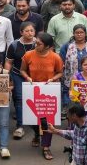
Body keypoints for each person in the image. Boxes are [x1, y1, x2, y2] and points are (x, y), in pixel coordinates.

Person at [19, 32, 63, 160]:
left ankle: (46, 147)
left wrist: (53, 79)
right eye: (36, 42)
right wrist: (27, 77)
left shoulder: (55, 57)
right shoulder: (28, 55)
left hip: (49, 91)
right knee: (31, 118)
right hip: (32, 90)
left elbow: (60, 72)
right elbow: (22, 70)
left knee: (48, 120)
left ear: (48, 46)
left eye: (39, 43)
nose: (35, 45)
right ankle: (37, 134)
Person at [59, 25, 87, 111]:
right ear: (73, 34)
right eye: (77, 33)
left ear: (85, 33)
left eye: (81, 32)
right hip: (73, 77)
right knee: (76, 107)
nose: (79, 35)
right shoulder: (67, 46)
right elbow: (62, 62)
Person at [4, 21, 36, 139]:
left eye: (32, 31)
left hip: (35, 76)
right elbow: (8, 62)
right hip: (18, 74)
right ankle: (20, 126)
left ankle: (37, 124)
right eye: (27, 31)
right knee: (19, 98)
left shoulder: (39, 44)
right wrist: (6, 76)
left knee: (36, 99)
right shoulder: (14, 45)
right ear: (21, 32)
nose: (29, 33)